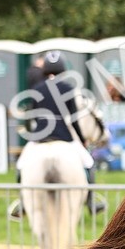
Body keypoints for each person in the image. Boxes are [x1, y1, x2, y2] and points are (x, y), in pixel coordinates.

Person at [7, 51, 106, 220]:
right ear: (63, 69)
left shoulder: (36, 89)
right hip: (64, 137)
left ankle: (22, 202)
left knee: (21, 165)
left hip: (40, 139)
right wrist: (81, 140)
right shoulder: (69, 89)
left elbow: (33, 118)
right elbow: (74, 120)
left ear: (44, 69)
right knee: (88, 163)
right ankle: (91, 201)